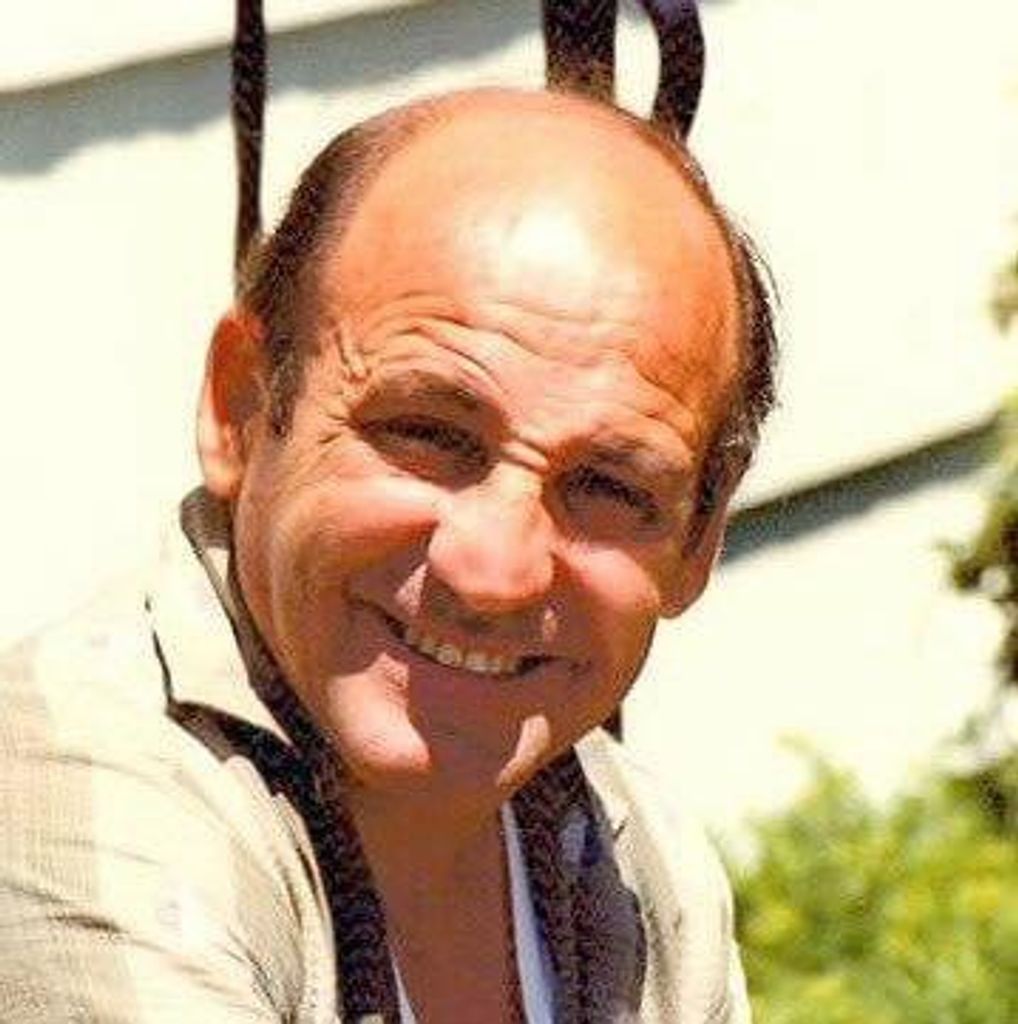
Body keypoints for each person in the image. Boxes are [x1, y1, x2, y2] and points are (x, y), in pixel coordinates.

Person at [0, 87, 775, 1022]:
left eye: (608, 488)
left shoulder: (641, 859)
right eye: (428, 434)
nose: (494, 573)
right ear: (241, 407)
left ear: (698, 542)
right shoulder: (80, 816)